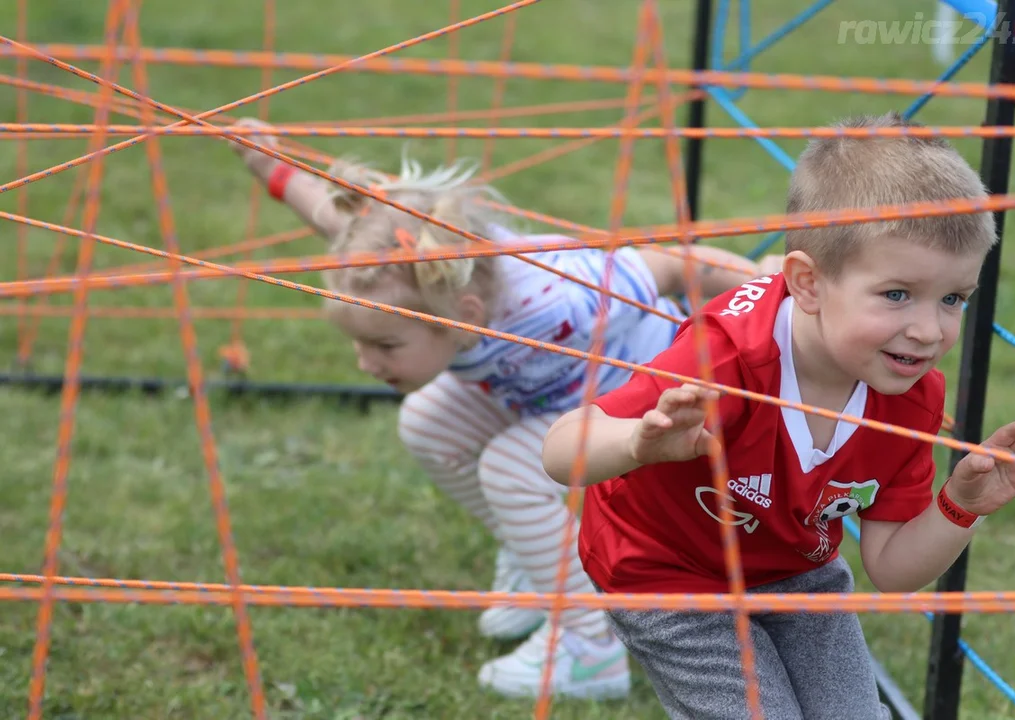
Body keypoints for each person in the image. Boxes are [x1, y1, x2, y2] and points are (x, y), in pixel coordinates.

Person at [228, 117, 783, 700]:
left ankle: (591, 648)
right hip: (548, 391)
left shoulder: (562, 303)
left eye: (384, 345)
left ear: (464, 315)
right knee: (426, 423)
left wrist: (767, 289)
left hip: (637, 399)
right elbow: (331, 213)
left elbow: (672, 263)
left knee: (512, 468)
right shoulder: (395, 266)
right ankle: (534, 556)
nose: (364, 363)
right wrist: (268, 165)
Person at [540, 111, 1015, 718]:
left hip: (796, 574)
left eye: (953, 299)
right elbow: (561, 448)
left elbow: (892, 568)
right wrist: (639, 441)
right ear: (808, 284)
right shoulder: (725, 360)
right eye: (897, 294)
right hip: (666, 573)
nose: (928, 330)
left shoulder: (910, 396)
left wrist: (960, 506)